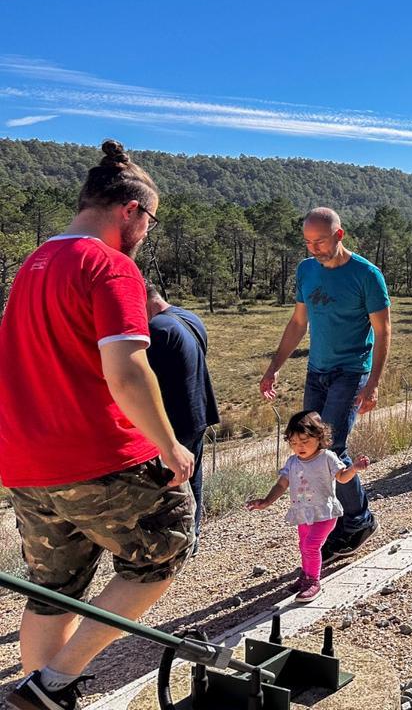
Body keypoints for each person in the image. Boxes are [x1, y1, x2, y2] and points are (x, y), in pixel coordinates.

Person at [0, 140, 196, 708]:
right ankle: (55, 681)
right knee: (164, 548)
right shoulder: (110, 265)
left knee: (52, 590)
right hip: (97, 455)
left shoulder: (35, 263)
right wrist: (170, 446)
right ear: (130, 210)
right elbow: (128, 372)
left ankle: (38, 698)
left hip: (25, 463)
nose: (147, 233)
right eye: (150, 221)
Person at [260, 207, 390, 564]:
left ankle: (359, 521)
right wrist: (273, 367)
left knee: (335, 447)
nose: (314, 248)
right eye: (308, 242)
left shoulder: (367, 275)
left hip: (351, 372)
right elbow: (298, 322)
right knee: (313, 446)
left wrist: (373, 383)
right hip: (317, 371)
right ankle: (336, 520)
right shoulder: (306, 270)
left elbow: (383, 331)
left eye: (320, 241)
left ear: (339, 235)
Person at [245, 411, 371, 603]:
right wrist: (266, 501)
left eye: (304, 441)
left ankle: (313, 582)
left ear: (319, 436)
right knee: (303, 546)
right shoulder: (292, 462)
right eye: (294, 443)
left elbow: (342, 477)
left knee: (311, 545)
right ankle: (305, 577)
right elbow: (281, 484)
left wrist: (354, 468)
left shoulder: (326, 457)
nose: (299, 447)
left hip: (324, 512)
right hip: (302, 513)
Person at [145, 281, 220, 551]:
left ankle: (172, 547)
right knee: (191, 480)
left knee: (168, 489)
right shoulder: (188, 317)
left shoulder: (157, 330)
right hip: (198, 412)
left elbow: (143, 381)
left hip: (174, 422)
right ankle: (192, 538)